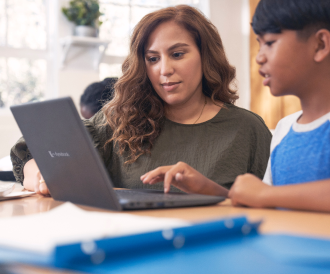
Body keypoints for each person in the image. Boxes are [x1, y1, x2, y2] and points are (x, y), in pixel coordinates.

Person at [10, 5, 271, 196]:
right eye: (153, 58)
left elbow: (278, 210)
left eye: (177, 54)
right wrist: (41, 177)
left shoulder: (247, 130)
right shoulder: (120, 121)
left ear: (206, 56)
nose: (164, 69)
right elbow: (32, 146)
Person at [142, 0, 330, 212]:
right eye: (258, 44)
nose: (259, 57)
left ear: (320, 44)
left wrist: (264, 194)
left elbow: (266, 196)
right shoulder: (285, 130)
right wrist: (209, 189)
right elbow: (267, 205)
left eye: (269, 42)